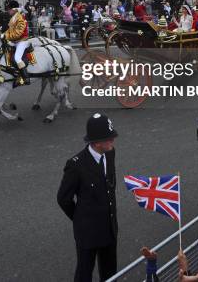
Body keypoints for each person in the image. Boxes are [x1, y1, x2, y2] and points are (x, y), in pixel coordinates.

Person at [57, 113, 118, 282]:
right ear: (97, 142)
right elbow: (63, 199)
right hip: (88, 233)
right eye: (109, 138)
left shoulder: (110, 154)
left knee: (111, 273)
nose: (113, 141)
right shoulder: (76, 165)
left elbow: (109, 187)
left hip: (109, 228)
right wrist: (79, 218)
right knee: (84, 273)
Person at [2, 0, 30, 84]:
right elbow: (10, 30)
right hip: (15, 41)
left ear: (14, 9)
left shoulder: (20, 18)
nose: (8, 11)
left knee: (17, 58)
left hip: (22, 41)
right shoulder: (13, 18)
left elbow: (18, 33)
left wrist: (6, 36)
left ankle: (26, 77)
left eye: (9, 9)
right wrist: (3, 34)